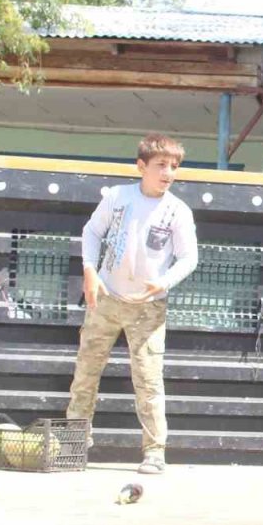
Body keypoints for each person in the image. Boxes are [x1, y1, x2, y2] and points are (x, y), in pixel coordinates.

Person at [66, 134, 198, 475]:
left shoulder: (178, 210)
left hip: (148, 308)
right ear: (141, 166)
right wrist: (89, 271)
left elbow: (189, 257)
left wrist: (164, 282)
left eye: (174, 166)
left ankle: (154, 452)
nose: (168, 173)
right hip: (105, 299)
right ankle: (74, 445)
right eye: (161, 165)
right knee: (86, 373)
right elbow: (92, 232)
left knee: (149, 380)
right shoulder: (117, 197)